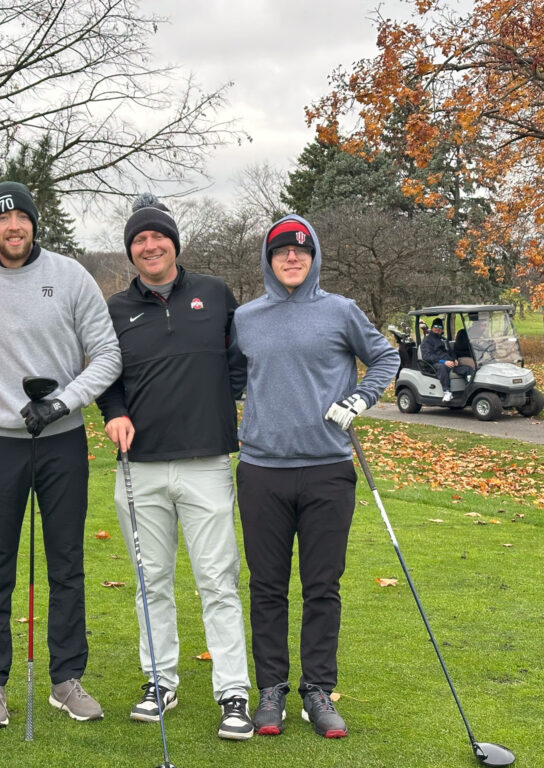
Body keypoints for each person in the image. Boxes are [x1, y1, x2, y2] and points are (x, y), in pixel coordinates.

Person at [0, 181, 122, 729]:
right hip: (0, 443)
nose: (14, 227)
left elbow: (106, 355)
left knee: (67, 563)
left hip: (62, 442)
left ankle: (66, 678)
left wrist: (62, 402)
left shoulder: (71, 275)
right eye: (3, 221)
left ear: (34, 223)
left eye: (22, 218)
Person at [230, 215, 398, 739]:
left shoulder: (341, 311)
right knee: (267, 587)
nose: (292, 259)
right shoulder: (245, 318)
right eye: (281, 252)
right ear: (268, 259)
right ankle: (272, 690)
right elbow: (231, 377)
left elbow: (387, 357)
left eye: (301, 251)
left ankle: (318, 690)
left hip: (327, 469)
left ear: (314, 255)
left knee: (322, 586)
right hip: (262, 470)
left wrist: (361, 397)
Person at [96, 195, 254, 740]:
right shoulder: (115, 309)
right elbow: (106, 377)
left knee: (218, 581)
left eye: (157, 236)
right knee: (151, 581)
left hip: (206, 463)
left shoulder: (214, 294)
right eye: (138, 240)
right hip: (138, 468)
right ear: (131, 252)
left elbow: (239, 362)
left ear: (174, 244)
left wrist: (214, 403)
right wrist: (114, 413)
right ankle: (160, 680)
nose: (149, 246)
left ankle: (233, 692)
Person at [420, 317, 474, 402]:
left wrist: (455, 359)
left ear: (442, 329)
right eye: (436, 326)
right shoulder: (427, 340)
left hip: (449, 362)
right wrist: (444, 361)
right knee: (442, 368)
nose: (438, 328)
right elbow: (427, 356)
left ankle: (469, 390)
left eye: (440, 327)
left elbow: (451, 352)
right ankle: (447, 392)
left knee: (468, 369)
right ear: (432, 327)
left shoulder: (443, 339)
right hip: (435, 363)